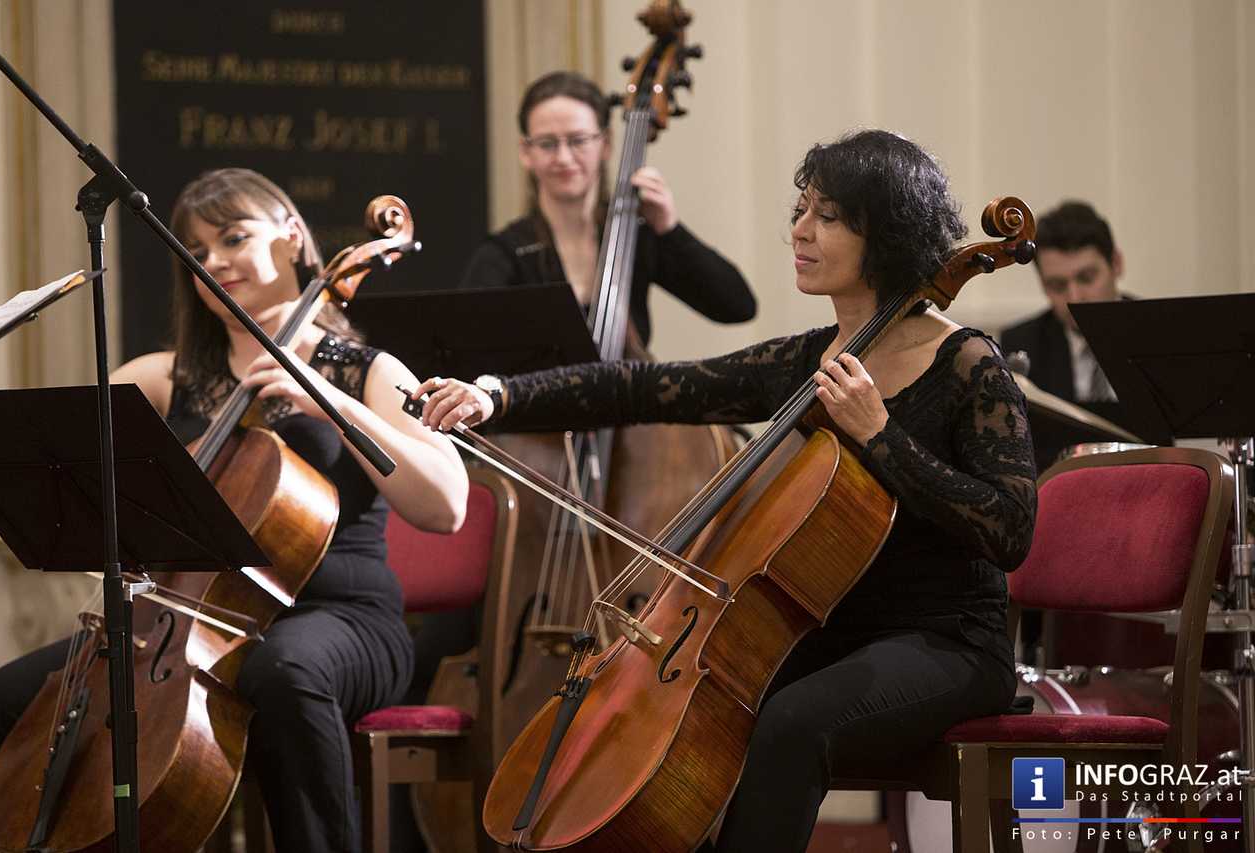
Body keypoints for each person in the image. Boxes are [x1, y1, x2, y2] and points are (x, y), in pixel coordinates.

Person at [417, 130, 1036, 853]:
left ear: (889, 235)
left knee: (793, 720)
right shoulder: (813, 359)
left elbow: (1010, 527)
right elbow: (644, 387)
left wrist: (880, 436)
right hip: (833, 633)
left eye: (828, 217)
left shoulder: (966, 362)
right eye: (801, 209)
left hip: (951, 643)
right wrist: (498, 396)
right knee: (707, 709)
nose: (799, 231)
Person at [0, 168, 469, 853]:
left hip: (341, 617)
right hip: (189, 623)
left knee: (284, 673)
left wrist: (329, 400)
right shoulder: (164, 375)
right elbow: (57, 451)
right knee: (8, 695)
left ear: (293, 236)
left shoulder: (369, 370)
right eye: (197, 253)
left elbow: (446, 504)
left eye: (234, 237)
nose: (215, 262)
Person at [458, 70, 756, 349]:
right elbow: (464, 346)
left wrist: (670, 229)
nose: (563, 158)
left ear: (606, 144)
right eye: (547, 143)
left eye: (578, 140)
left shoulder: (636, 236)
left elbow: (737, 307)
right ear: (526, 152)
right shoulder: (506, 254)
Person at [999, 200, 1125, 404]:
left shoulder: (1160, 331)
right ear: (1042, 283)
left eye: (1086, 278)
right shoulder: (1021, 343)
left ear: (1116, 264)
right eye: (1058, 285)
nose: (1074, 297)